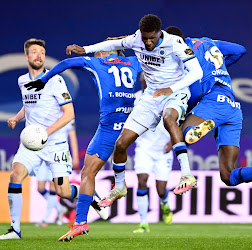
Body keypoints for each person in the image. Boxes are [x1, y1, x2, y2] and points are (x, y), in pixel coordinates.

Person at [62, 14, 204, 208]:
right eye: (145, 38)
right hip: (150, 98)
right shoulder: (137, 38)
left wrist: (170, 89)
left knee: (169, 119)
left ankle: (187, 174)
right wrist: (84, 49)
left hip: (175, 92)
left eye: (151, 38)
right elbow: (113, 44)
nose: (147, 42)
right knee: (120, 145)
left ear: (159, 33)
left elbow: (197, 72)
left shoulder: (176, 43)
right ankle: (119, 186)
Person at [24, 45, 142, 241]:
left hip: (108, 128)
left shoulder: (98, 62)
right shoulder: (134, 62)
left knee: (88, 173)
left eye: (100, 49)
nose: (95, 52)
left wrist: (43, 79)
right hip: (131, 125)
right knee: (117, 153)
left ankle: (80, 222)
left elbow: (66, 63)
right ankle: (119, 184)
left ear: (106, 52)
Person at [165, 26, 252, 189]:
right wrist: (218, 69)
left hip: (213, 102)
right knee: (228, 176)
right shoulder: (207, 42)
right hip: (233, 108)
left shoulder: (184, 54)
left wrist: (184, 114)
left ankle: (194, 128)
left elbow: (197, 90)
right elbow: (239, 50)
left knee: (180, 134)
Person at [0, 39, 105, 241]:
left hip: (55, 144)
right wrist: (16, 117)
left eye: (42, 52)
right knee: (15, 175)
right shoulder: (22, 81)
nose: (38, 55)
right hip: (31, 144)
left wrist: (46, 132)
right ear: (27, 57)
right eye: (34, 52)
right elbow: (29, 105)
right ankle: (15, 230)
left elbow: (69, 114)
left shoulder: (55, 80)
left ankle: (90, 195)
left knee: (63, 191)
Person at [133, 74, 173, 233]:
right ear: (141, 80)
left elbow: (180, 121)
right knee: (142, 181)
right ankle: (143, 223)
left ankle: (165, 205)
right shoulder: (135, 99)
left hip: (163, 149)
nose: (148, 79)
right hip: (144, 147)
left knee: (160, 189)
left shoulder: (167, 99)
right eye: (144, 78)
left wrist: (173, 141)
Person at [36, 119, 79, 227]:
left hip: (57, 154)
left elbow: (72, 137)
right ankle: (61, 209)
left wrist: (75, 156)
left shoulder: (67, 115)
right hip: (41, 153)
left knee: (52, 186)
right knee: (40, 188)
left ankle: (45, 220)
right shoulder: (44, 112)